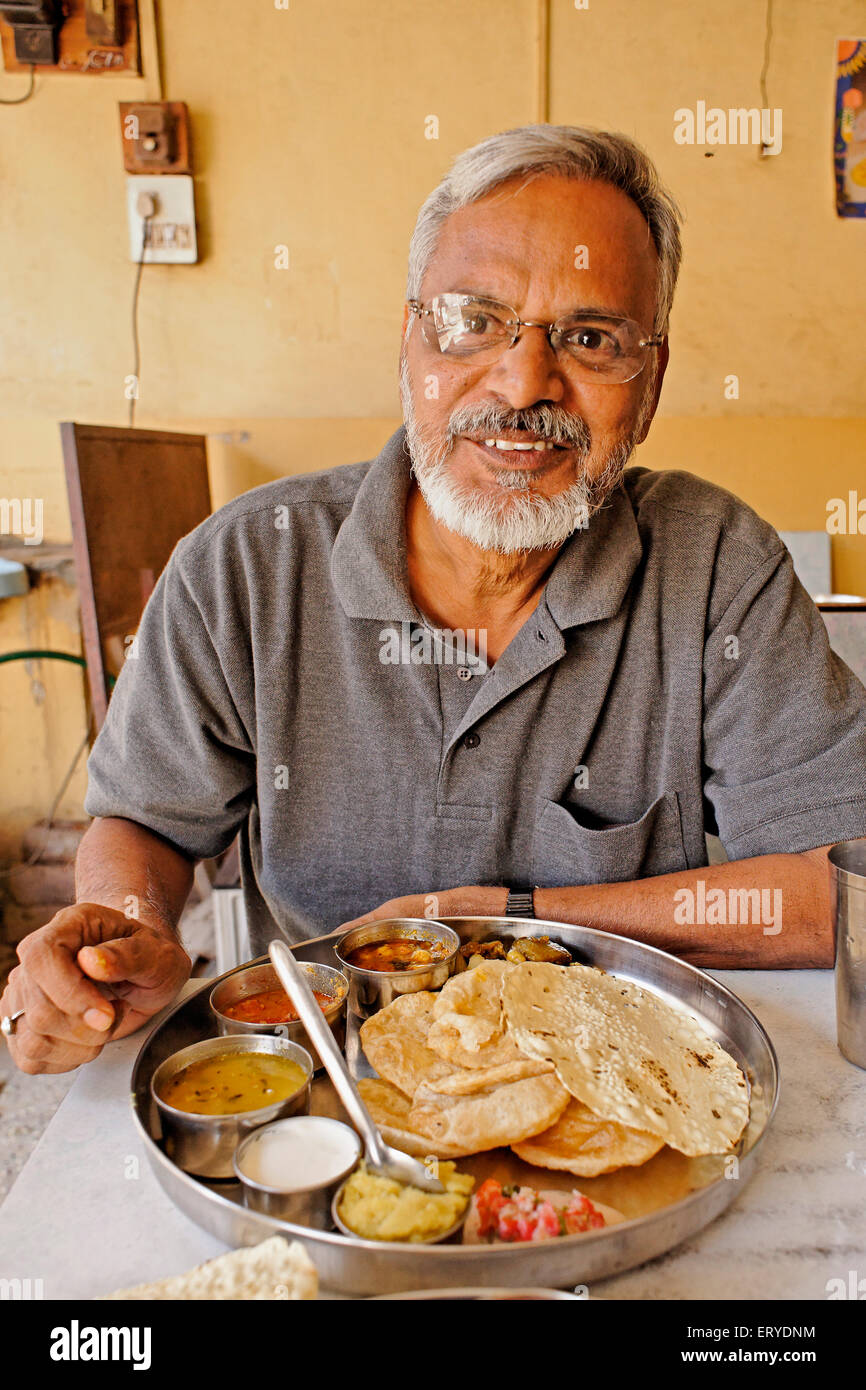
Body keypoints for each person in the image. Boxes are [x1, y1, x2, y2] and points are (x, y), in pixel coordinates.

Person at [4, 124, 865, 1076]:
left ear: (650, 384)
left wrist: (502, 920)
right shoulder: (244, 565)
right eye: (475, 320)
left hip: (615, 1070)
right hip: (325, 1084)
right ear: (410, 338)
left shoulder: (713, 565)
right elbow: (148, 822)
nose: (524, 382)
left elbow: (842, 888)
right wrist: (126, 932)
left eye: (590, 338)